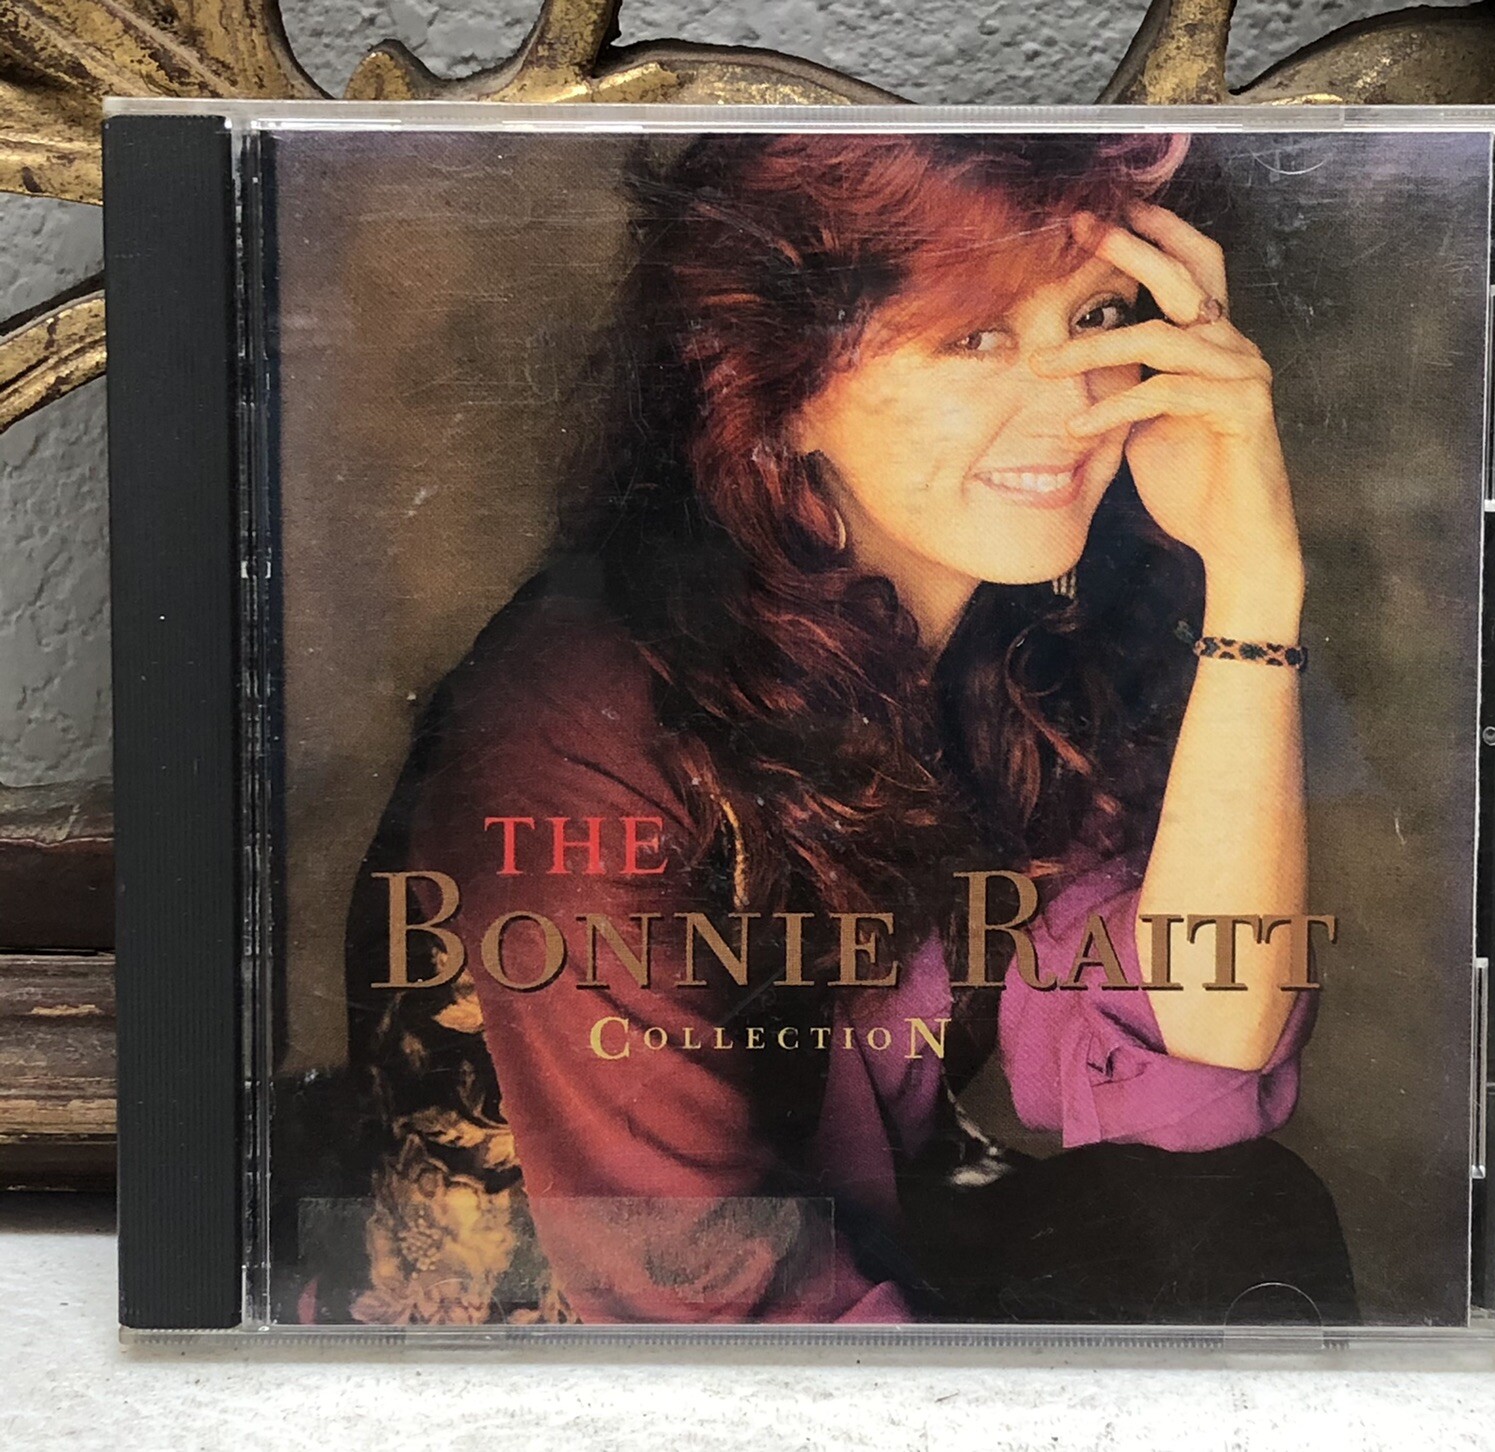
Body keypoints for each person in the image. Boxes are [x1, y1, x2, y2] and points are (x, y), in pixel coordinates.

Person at [333, 131, 1357, 1328]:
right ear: (782, 383)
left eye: (1097, 321)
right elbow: (699, 1295)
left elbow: (1196, 1055)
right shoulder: (579, 715)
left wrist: (1252, 584)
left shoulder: (1027, 635)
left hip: (857, 1297)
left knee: (1237, 1216)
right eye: (974, 336)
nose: (1074, 405)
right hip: (581, 1369)